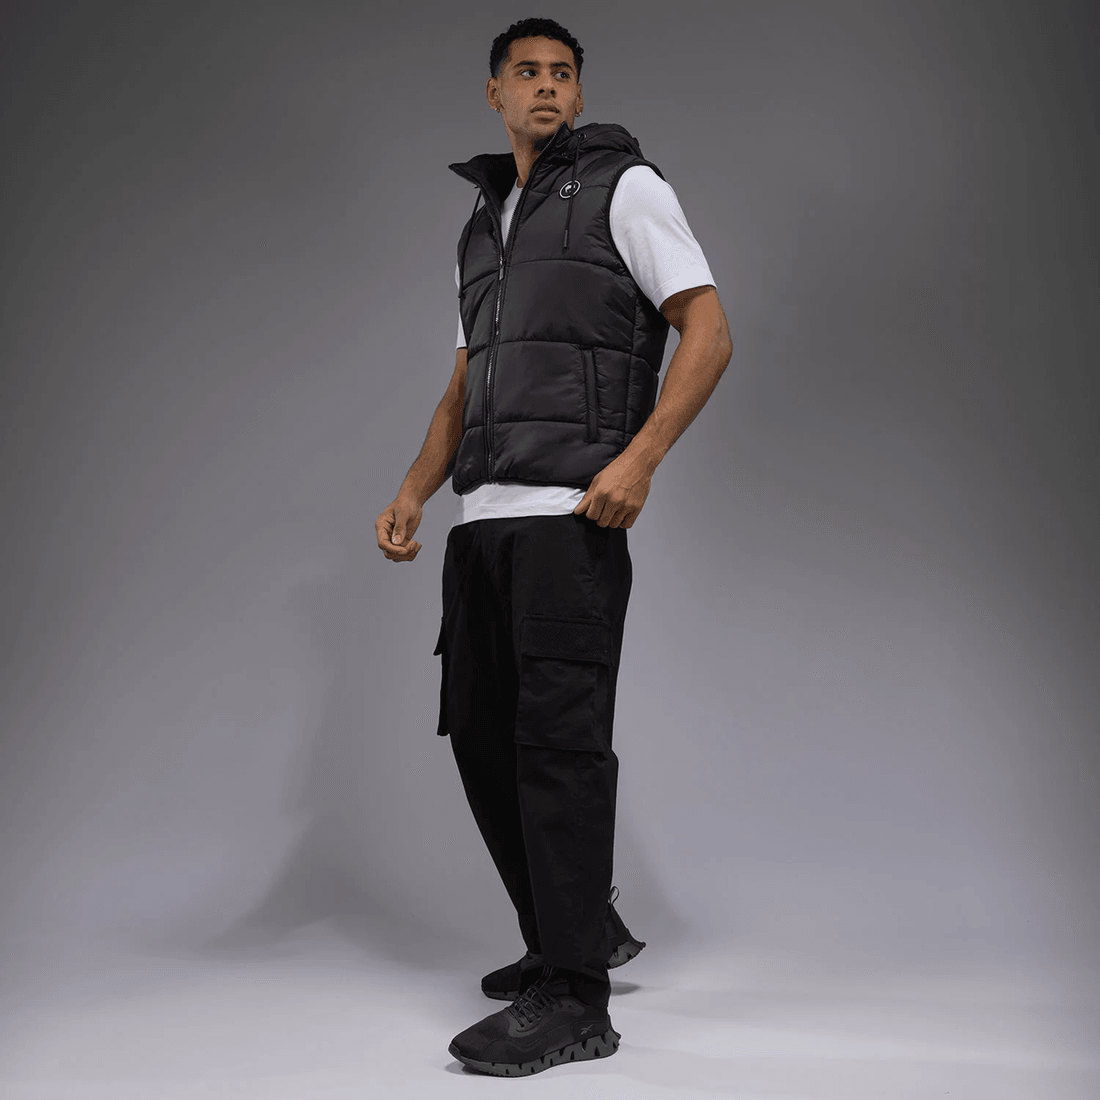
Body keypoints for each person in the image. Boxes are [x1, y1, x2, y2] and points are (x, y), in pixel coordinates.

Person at [375, 17, 732, 1077]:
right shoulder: (480, 227)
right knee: (482, 739)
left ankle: (576, 999)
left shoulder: (626, 190)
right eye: (525, 72)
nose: (544, 86)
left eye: (561, 73)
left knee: (558, 749)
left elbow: (708, 330)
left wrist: (640, 460)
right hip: (481, 525)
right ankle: (573, 930)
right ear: (493, 92)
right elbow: (463, 384)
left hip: (570, 519)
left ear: (577, 92)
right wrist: (412, 490)